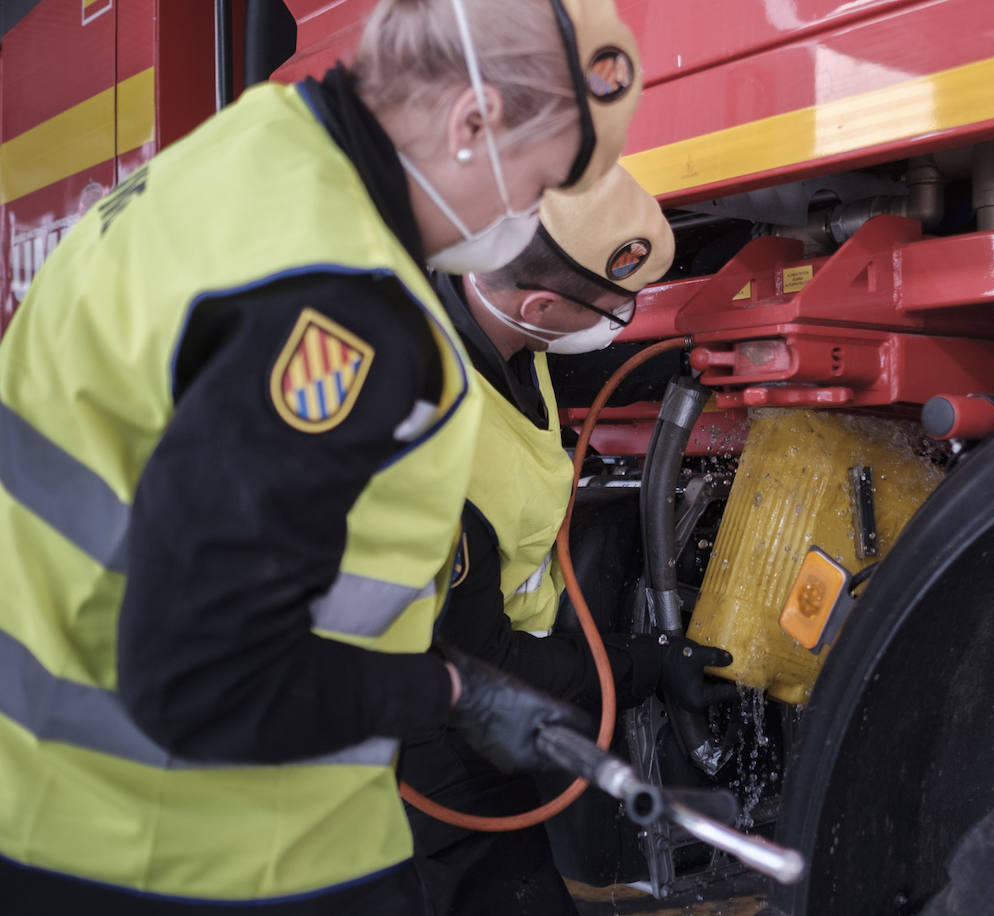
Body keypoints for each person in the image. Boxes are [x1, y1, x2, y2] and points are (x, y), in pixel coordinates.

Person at [0, 0, 643, 913]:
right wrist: (452, 689)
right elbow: (200, 677)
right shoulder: (337, 302)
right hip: (196, 849)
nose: (524, 223)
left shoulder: (241, 155)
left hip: (52, 791)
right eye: (539, 189)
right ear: (474, 124)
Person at [400, 165, 738, 914]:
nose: (616, 324)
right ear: (542, 304)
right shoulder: (426, 433)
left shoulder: (491, 313)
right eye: (611, 314)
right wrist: (639, 665)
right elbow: (477, 658)